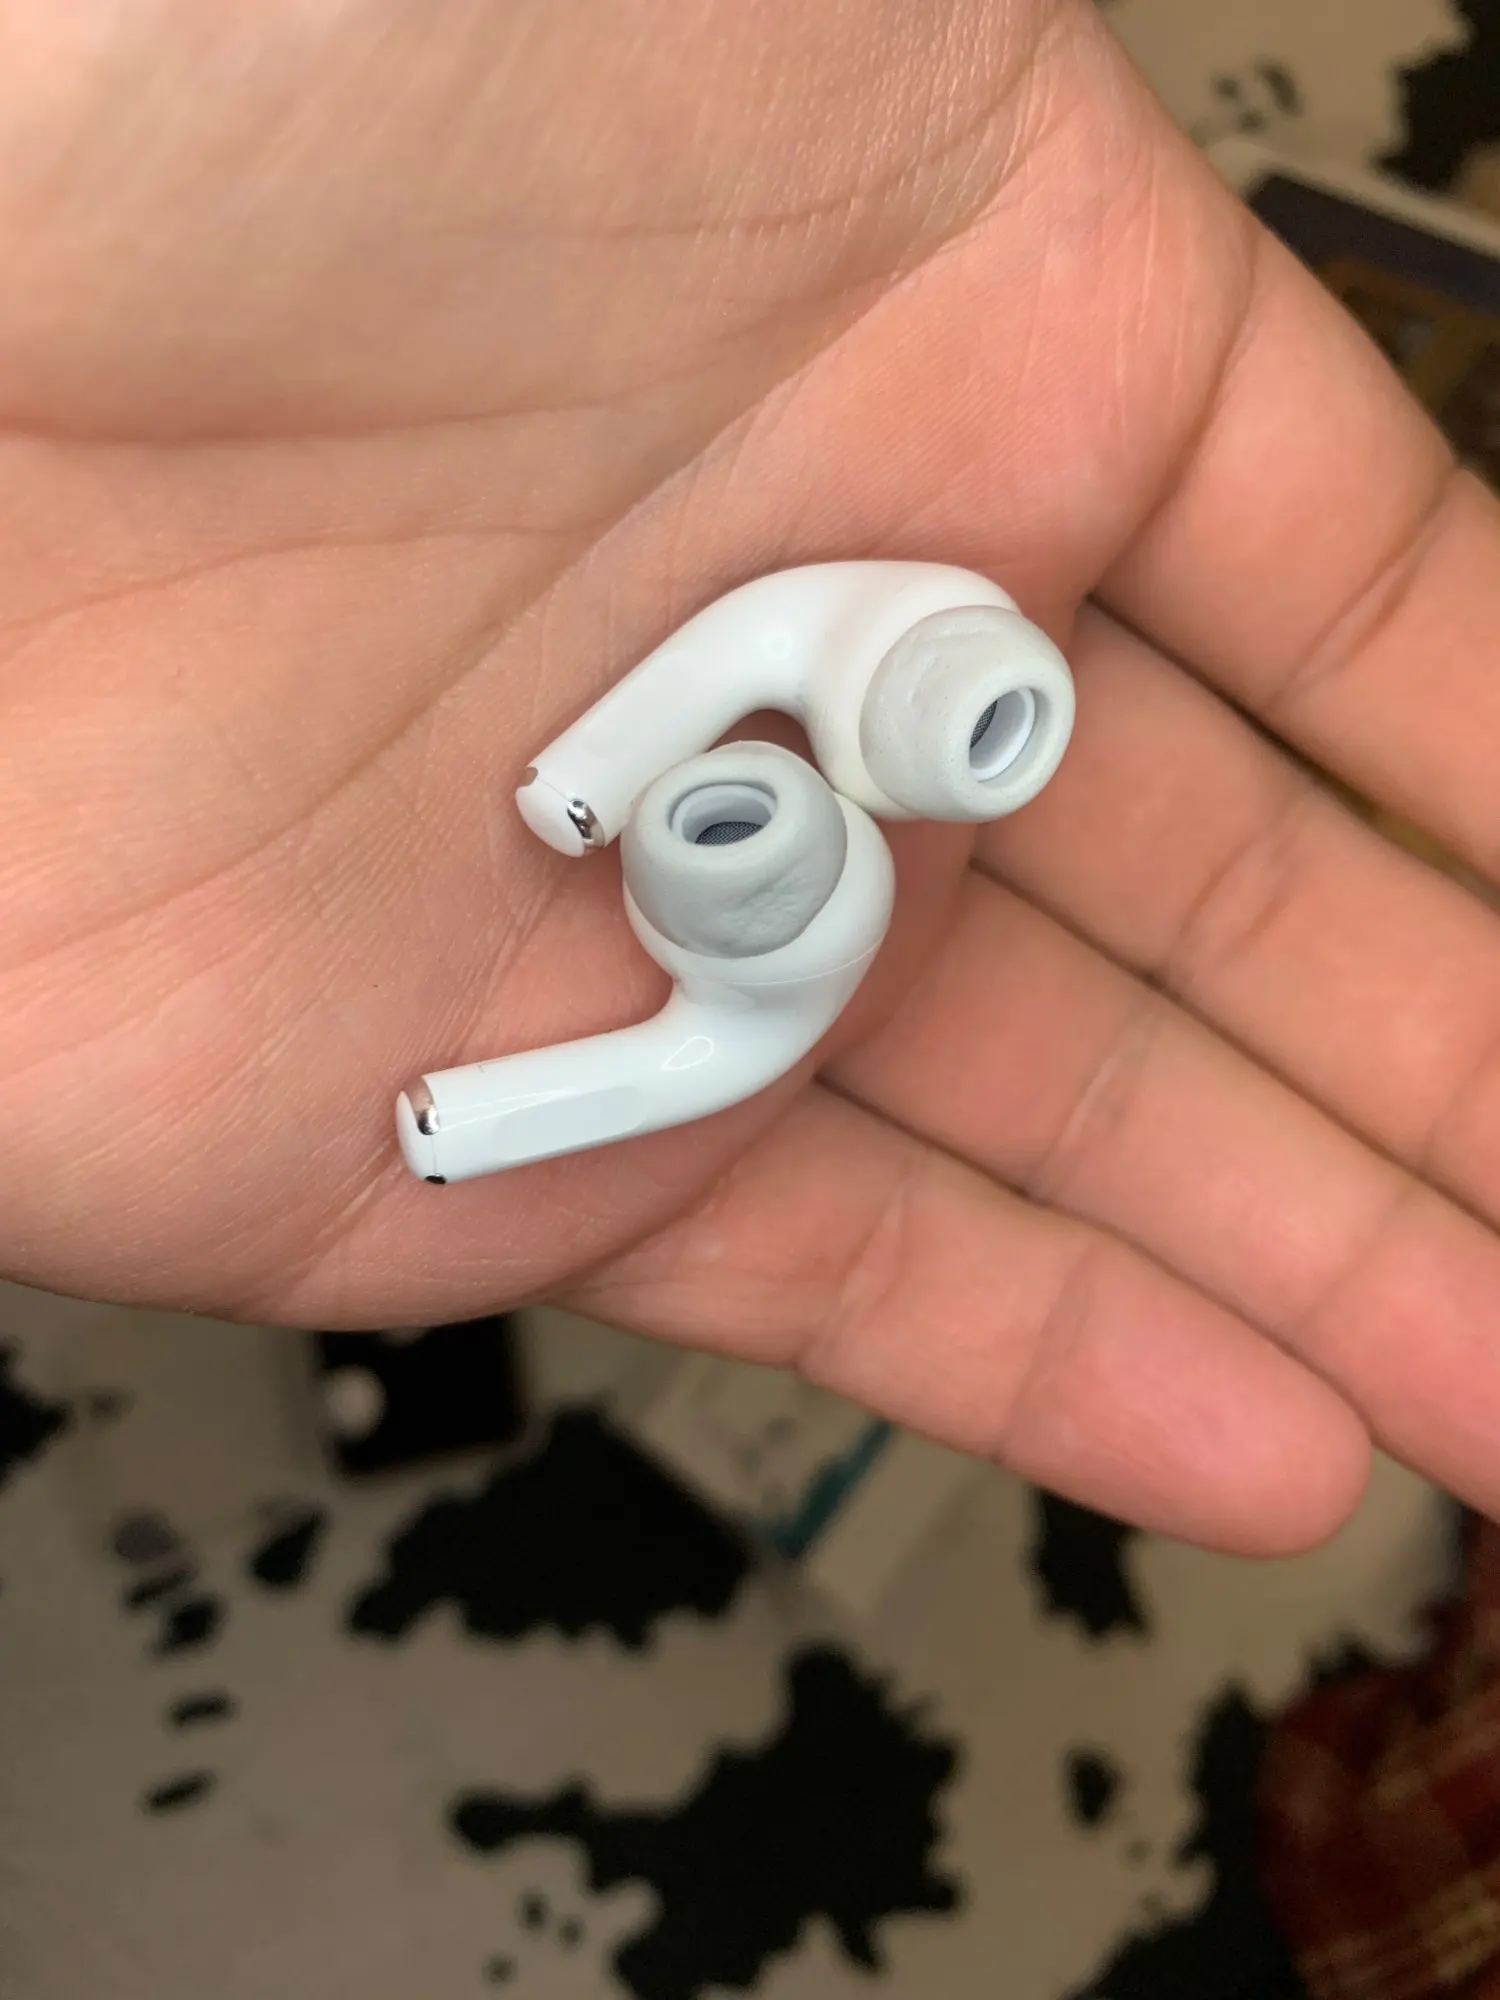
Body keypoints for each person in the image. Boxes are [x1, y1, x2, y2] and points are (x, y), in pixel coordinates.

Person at [3, 0, 1495, 1563]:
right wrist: (581, 796)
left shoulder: (837, 698)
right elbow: (710, 928)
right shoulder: (841, 677)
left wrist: (539, 938)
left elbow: (700, 1008)